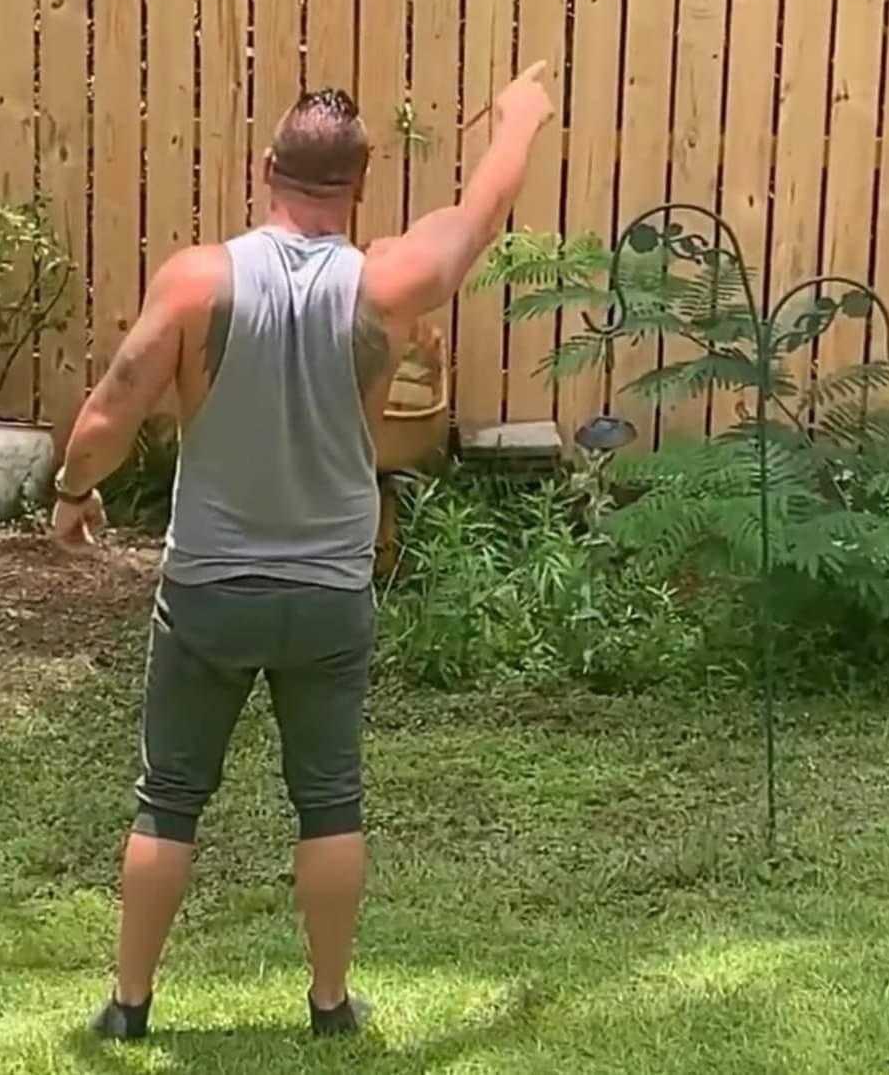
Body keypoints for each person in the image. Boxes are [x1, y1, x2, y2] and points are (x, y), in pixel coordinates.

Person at [50, 62, 554, 1042]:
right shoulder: (387, 281)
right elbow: (478, 216)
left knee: (168, 797)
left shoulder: (198, 280)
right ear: (359, 189)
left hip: (208, 590)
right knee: (329, 798)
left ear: (267, 167)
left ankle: (128, 1007)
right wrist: (518, 122)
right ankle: (329, 1007)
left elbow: (111, 403)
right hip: (327, 591)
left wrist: (74, 491)